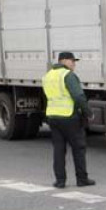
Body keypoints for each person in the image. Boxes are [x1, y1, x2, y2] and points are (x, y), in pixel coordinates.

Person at [42, 51, 94, 188]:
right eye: (72, 61)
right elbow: (78, 96)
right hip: (69, 117)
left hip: (53, 117)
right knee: (79, 148)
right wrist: (88, 112)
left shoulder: (48, 76)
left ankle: (60, 181)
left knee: (58, 150)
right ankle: (82, 179)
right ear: (64, 61)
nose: (74, 64)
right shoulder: (68, 75)